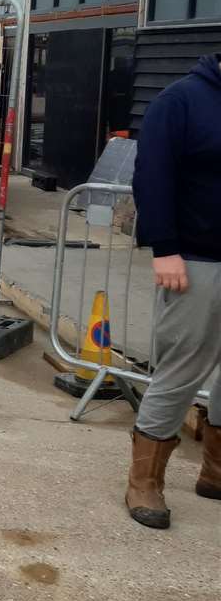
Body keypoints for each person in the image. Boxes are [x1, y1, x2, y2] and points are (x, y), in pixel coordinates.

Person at [126, 52, 221, 529]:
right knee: (182, 368)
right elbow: (152, 176)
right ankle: (145, 481)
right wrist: (164, 248)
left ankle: (216, 473)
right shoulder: (180, 101)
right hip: (196, 261)